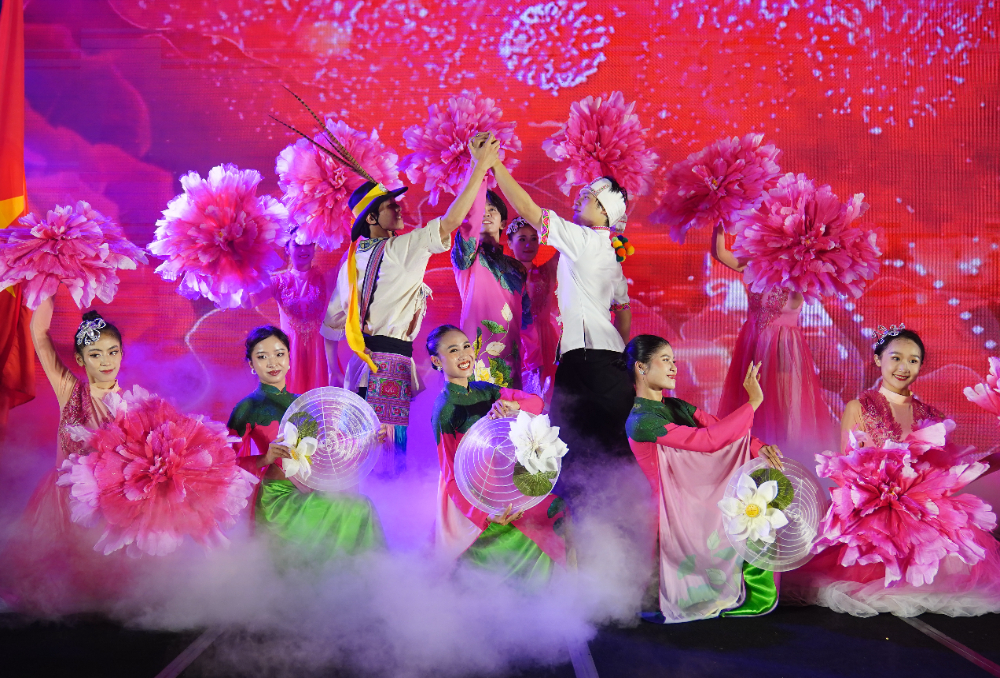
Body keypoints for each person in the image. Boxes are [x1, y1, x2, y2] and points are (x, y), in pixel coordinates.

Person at [782, 327, 1000, 617]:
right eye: (896, 358)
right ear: (878, 359)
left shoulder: (932, 415)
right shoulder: (859, 407)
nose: (904, 367)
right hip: (874, 516)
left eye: (913, 360)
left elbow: (945, 475)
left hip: (922, 515)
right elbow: (847, 468)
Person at [321, 134, 501, 477]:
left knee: (360, 452)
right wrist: (479, 168)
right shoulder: (400, 250)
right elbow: (451, 222)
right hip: (387, 369)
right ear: (371, 219)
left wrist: (334, 369)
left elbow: (331, 324)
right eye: (390, 206)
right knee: (387, 457)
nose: (400, 207)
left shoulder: (350, 261)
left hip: (360, 369)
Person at [489, 146, 633, 492]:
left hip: (586, 362)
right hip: (610, 363)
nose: (578, 198)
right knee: (612, 453)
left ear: (604, 210)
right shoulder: (609, 253)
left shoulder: (584, 239)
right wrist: (621, 357)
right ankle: (625, 520)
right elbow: (623, 309)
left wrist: (494, 164)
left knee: (572, 452)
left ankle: (575, 519)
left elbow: (529, 210)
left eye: (587, 196)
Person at [623, 334, 784, 623]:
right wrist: (754, 401)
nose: (674, 367)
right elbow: (708, 440)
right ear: (641, 367)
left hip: (697, 496)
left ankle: (757, 592)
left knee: (762, 496)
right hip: (672, 512)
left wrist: (760, 448)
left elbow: (723, 430)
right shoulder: (641, 421)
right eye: (665, 360)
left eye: (674, 360)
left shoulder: (678, 406)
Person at [0, 298, 131, 616]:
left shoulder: (130, 403)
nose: (106, 361)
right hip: (63, 496)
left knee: (101, 575)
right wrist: (48, 284)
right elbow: (39, 333)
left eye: (112, 352)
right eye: (95, 354)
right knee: (51, 566)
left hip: (107, 500)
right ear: (80, 359)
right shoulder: (70, 390)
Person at [227, 325, 385, 566]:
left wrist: (369, 438)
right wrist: (265, 458)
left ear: (289, 359)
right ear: (251, 364)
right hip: (278, 500)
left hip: (310, 491)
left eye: (279, 354)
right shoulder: (247, 407)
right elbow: (226, 463)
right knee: (358, 509)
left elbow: (325, 446)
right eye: (262, 356)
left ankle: (365, 577)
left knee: (361, 507)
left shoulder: (302, 402)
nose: (273, 362)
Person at [427, 324, 568, 583]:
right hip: (470, 495)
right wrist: (484, 514)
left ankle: (557, 590)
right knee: (541, 515)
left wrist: (514, 406)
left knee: (556, 506)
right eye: (453, 350)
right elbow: (450, 476)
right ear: (437, 361)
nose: (464, 355)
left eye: (466, 346)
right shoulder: (445, 409)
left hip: (502, 480)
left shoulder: (486, 390)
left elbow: (537, 403)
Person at [710, 224, 839, 467]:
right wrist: (719, 220)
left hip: (785, 348)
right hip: (754, 345)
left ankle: (788, 463)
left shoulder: (804, 272)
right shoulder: (755, 265)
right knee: (751, 404)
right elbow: (720, 253)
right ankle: (750, 462)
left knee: (786, 408)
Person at [452, 190, 531, 389]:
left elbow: (528, 319)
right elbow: (467, 231)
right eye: (481, 209)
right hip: (473, 360)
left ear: (503, 223)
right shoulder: (467, 257)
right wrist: (480, 177)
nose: (485, 213)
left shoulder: (518, 269)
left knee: (508, 408)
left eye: (492, 209)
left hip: (509, 361)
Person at [244, 230, 334, 393]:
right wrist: (237, 274)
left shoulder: (325, 279)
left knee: (316, 400)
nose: (303, 249)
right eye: (297, 245)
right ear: (287, 248)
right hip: (290, 352)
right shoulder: (278, 282)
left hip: (318, 352)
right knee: (290, 398)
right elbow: (249, 302)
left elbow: (349, 263)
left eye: (308, 244)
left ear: (314, 247)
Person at [508, 217, 560, 403]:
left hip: (546, 341)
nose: (529, 244)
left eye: (533, 239)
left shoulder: (548, 271)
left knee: (548, 397)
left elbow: (567, 248)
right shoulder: (503, 277)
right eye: (522, 239)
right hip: (517, 340)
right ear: (510, 243)